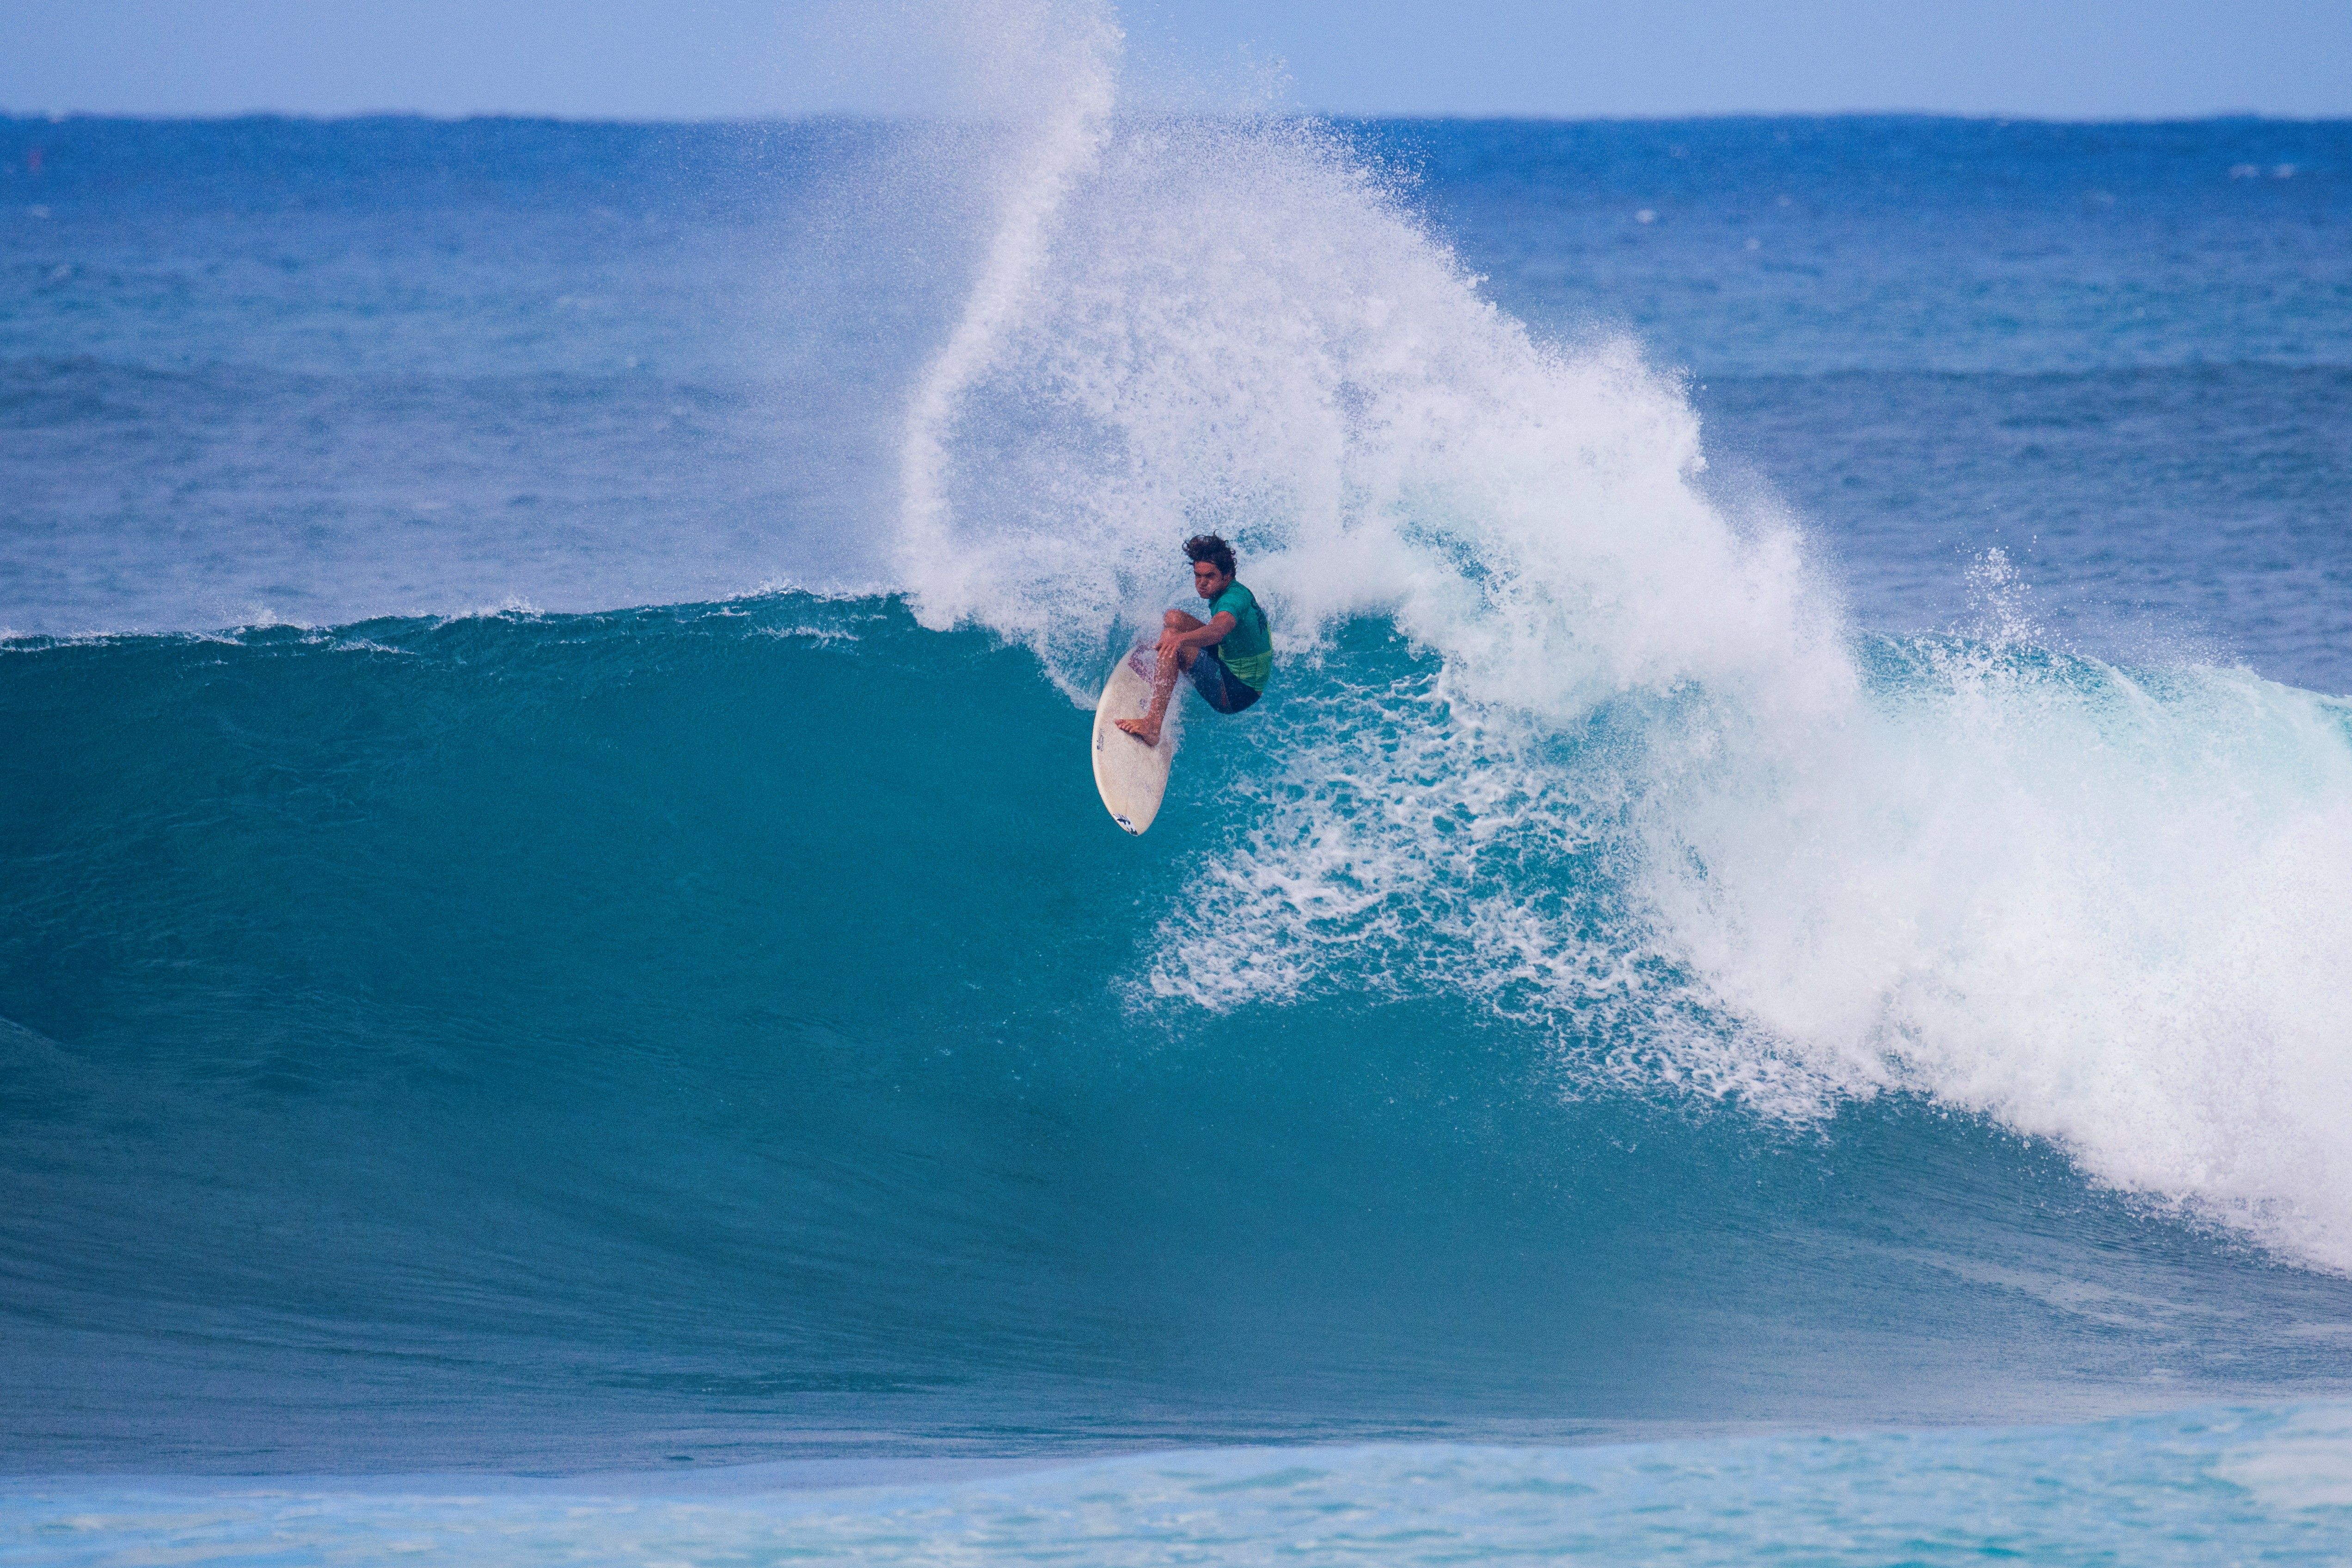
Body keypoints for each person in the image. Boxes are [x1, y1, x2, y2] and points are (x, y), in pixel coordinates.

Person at [1116, 534, 1272, 747]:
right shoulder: (1230, 590)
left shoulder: (1232, 601)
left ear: (1227, 575)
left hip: (1238, 691)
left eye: (1209, 576)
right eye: (1197, 576)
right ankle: (1167, 668)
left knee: (1172, 639)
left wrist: (1179, 640)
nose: (1202, 583)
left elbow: (1217, 631)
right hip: (1229, 656)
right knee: (1173, 618)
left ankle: (1152, 726)